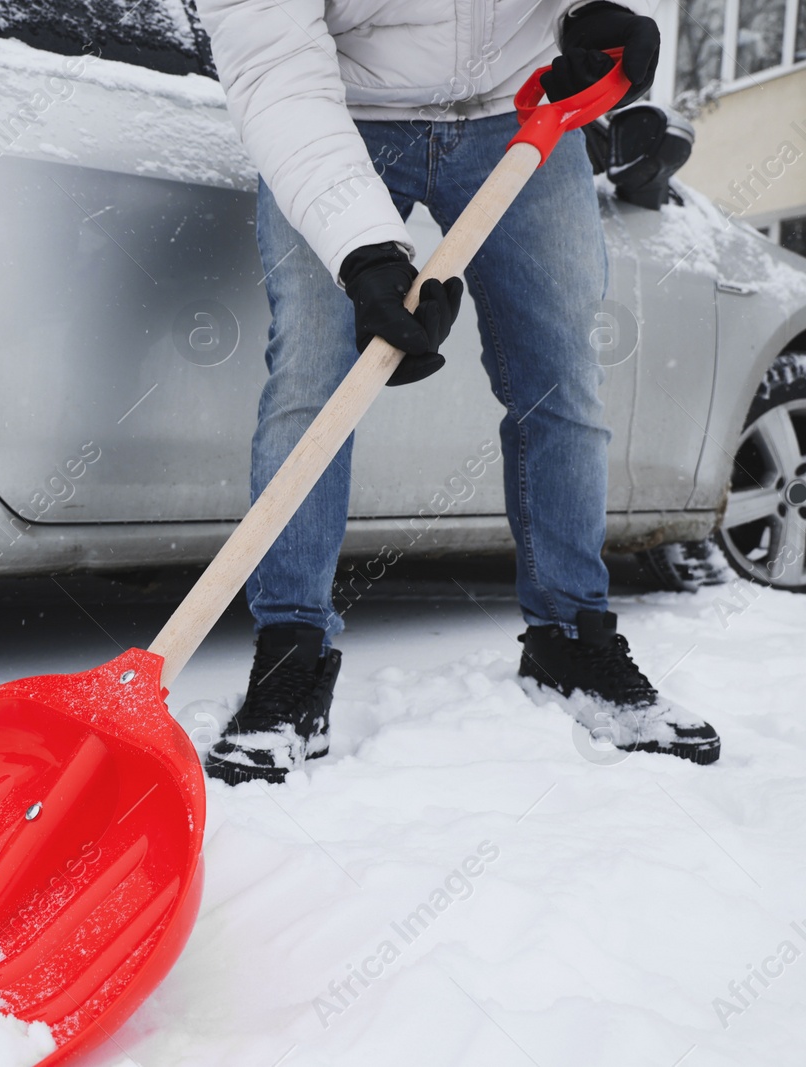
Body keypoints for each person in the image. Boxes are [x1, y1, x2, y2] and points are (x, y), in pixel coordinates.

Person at [193, 0, 721, 783]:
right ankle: (290, 657)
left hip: (523, 104)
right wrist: (365, 253)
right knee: (311, 372)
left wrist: (604, 12)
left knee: (561, 380)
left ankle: (571, 639)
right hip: (341, 114)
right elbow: (275, 69)